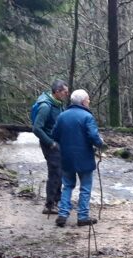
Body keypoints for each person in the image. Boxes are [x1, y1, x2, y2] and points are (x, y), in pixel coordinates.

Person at [51, 89, 104, 227]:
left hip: (66, 157)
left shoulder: (62, 116)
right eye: (88, 99)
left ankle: (63, 214)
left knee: (67, 186)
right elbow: (94, 136)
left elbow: (54, 135)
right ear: (83, 102)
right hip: (84, 157)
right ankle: (83, 217)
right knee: (85, 187)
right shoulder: (87, 116)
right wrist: (101, 144)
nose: (89, 101)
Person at [32, 79, 69, 215]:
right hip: (50, 145)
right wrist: (50, 142)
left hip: (58, 143)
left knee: (59, 172)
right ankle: (49, 205)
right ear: (57, 92)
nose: (67, 94)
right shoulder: (46, 107)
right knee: (55, 173)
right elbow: (36, 128)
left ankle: (56, 202)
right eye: (65, 92)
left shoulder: (57, 104)